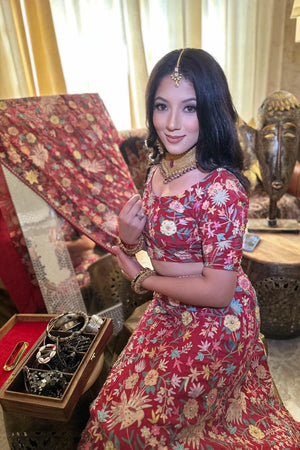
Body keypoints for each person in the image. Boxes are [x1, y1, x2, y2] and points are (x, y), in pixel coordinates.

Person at [79, 48, 300, 449]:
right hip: (169, 309)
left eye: (189, 108)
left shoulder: (221, 189)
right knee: (113, 409)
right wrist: (128, 235)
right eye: (162, 106)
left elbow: (218, 291)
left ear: (211, 110)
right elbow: (157, 242)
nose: (172, 123)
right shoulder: (158, 170)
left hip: (217, 323)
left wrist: (143, 280)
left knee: (138, 428)